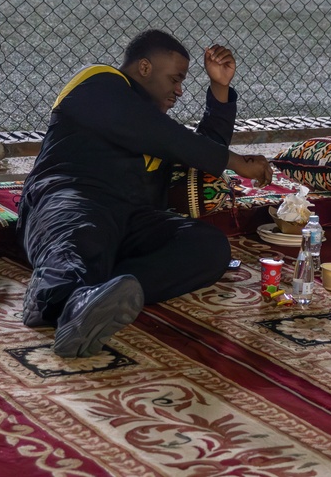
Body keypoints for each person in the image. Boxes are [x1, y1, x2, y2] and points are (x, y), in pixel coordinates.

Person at [18, 29, 273, 358]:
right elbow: (167, 136)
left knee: (208, 246)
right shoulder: (98, 83)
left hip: (131, 218)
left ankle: (108, 293)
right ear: (144, 68)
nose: (180, 91)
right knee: (81, 239)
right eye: (175, 79)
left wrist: (220, 87)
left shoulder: (155, 127)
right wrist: (237, 162)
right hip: (68, 201)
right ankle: (65, 303)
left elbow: (198, 149)